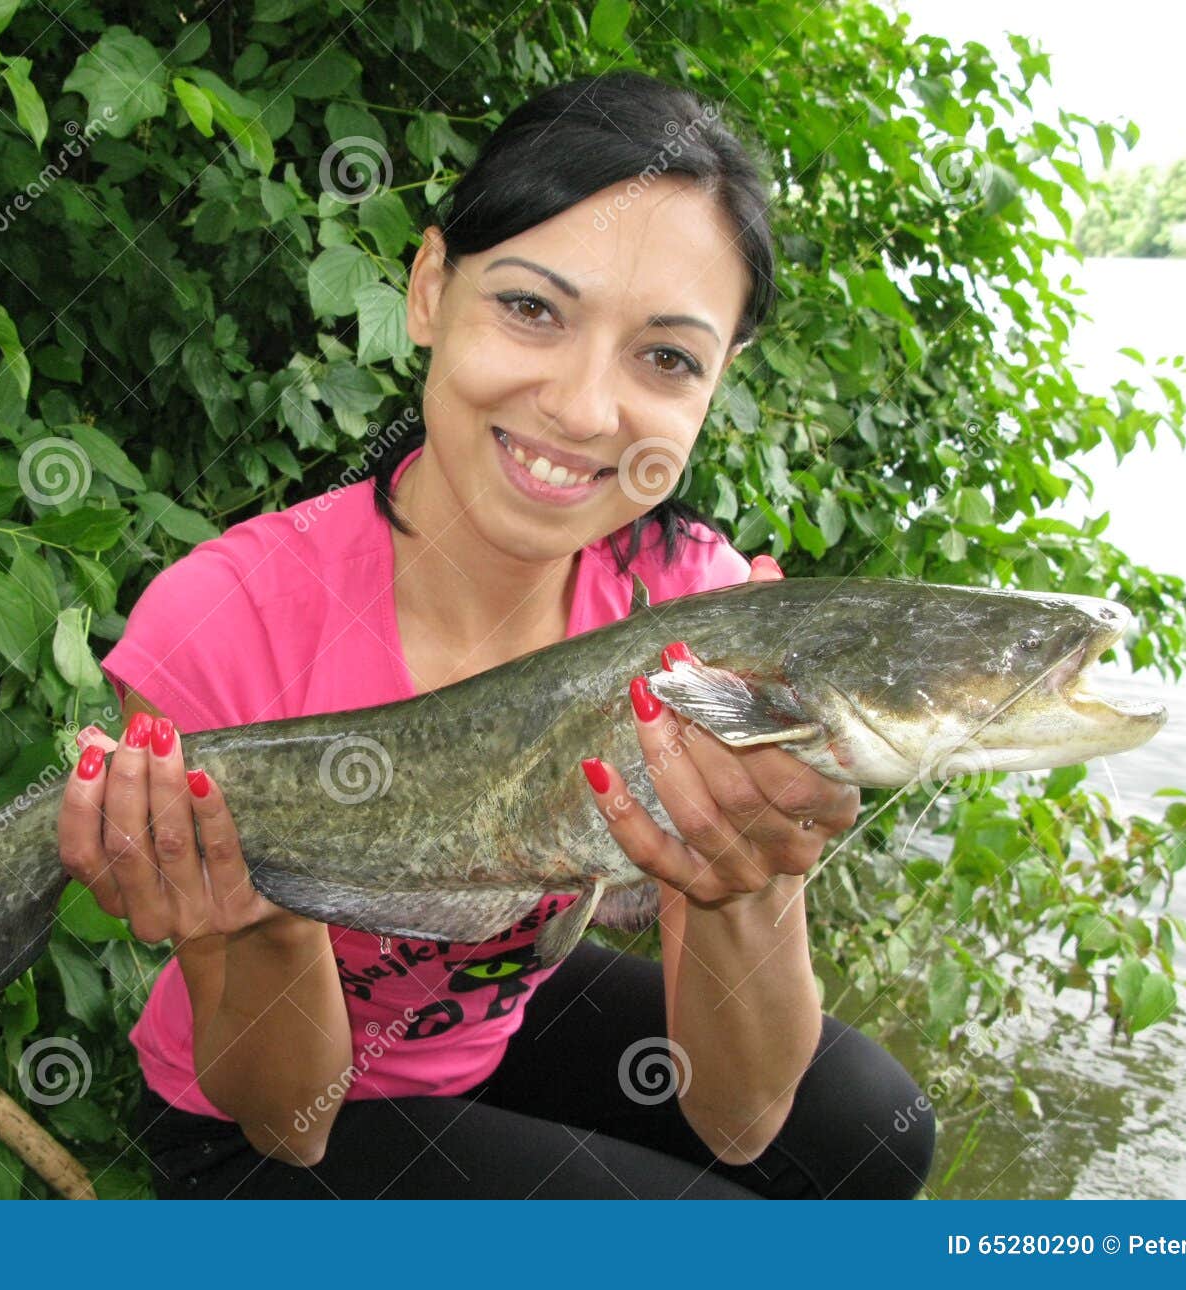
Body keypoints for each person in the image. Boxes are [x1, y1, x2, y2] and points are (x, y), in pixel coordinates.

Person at [56, 70, 935, 1199]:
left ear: (716, 383)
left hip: (485, 1023)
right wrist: (262, 926)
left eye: (664, 357)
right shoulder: (229, 622)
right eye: (531, 308)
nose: (582, 408)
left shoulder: (689, 615)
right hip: (268, 1119)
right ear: (429, 288)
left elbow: (743, 1115)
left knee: (871, 1134)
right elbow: (286, 1123)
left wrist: (746, 885)